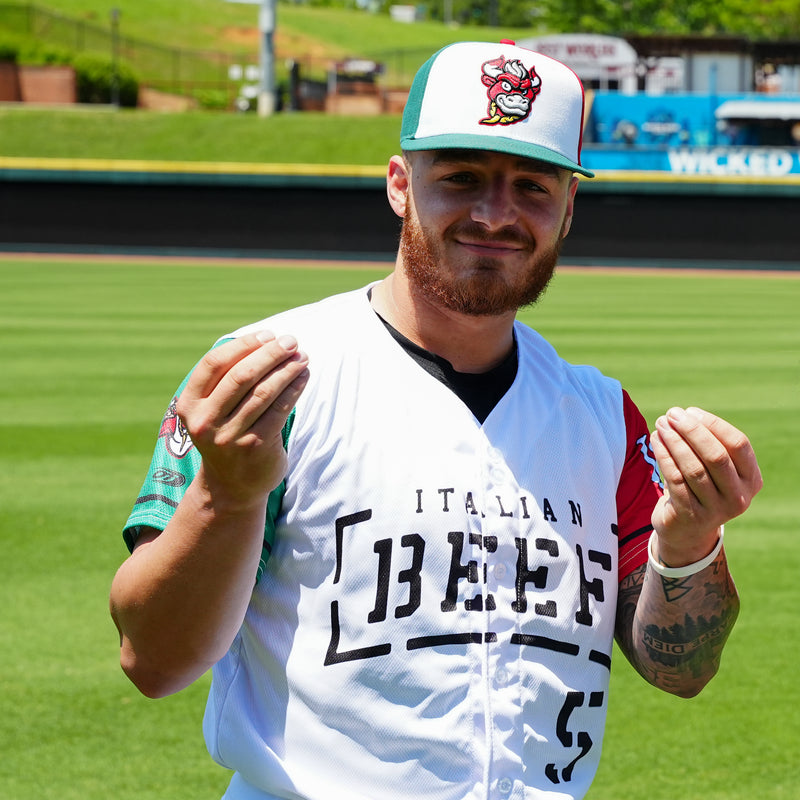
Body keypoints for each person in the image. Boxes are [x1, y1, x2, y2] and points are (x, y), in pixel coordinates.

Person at [110, 40, 762, 800]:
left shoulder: (603, 417)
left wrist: (687, 544)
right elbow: (152, 662)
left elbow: (678, 669)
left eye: (532, 186)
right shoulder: (273, 379)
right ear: (399, 184)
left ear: (569, 210)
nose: (496, 213)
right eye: (461, 178)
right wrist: (228, 494)